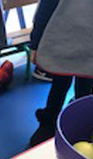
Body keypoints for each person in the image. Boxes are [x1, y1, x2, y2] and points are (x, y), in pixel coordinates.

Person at [29, 0, 93, 147]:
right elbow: (46, 7)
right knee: (60, 83)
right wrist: (36, 42)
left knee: (85, 90)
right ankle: (49, 121)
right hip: (63, 42)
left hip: (89, 46)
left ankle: (83, 125)